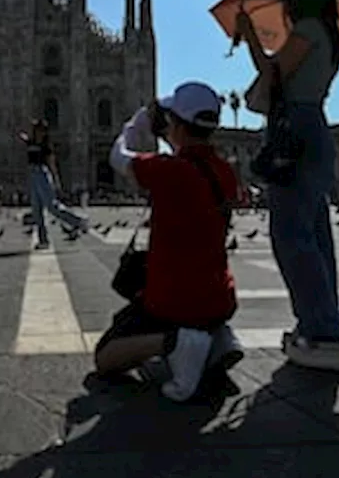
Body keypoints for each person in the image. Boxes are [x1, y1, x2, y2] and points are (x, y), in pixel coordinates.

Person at [237, 0, 339, 374]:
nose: (284, 10)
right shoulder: (327, 33)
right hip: (309, 128)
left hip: (297, 132)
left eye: (287, 1)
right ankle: (322, 325)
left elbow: (273, 76)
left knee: (291, 236)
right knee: (315, 236)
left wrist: (250, 37)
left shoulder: (308, 30)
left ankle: (326, 332)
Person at [99, 82, 241, 401]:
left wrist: (136, 125)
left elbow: (117, 156)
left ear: (176, 124)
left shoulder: (168, 171)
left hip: (174, 300)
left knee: (106, 357)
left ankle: (176, 342)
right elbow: (192, 155)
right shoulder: (224, 172)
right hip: (219, 297)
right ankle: (218, 338)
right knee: (189, 307)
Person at [16, 120, 89, 250]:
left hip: (42, 174)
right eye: (36, 129)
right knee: (37, 210)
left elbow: (52, 165)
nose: (38, 132)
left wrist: (56, 181)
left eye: (40, 130)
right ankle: (43, 240)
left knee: (52, 206)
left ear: (44, 132)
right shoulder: (31, 142)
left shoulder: (46, 146)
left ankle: (79, 221)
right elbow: (22, 135)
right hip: (33, 176)